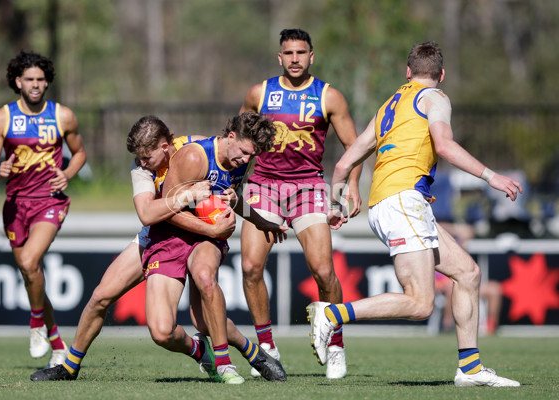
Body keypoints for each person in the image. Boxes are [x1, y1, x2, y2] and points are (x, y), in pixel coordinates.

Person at [307, 41, 522, 387]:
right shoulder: (435, 98)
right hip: (403, 201)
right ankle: (332, 313)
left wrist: (336, 204)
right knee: (420, 303)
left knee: (467, 273)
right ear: (442, 75)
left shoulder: (389, 105)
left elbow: (346, 162)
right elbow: (444, 145)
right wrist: (491, 176)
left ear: (408, 72)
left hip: (391, 203)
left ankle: (470, 369)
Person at [31, 114, 286, 384]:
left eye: (146, 157)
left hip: (200, 237)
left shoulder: (211, 153)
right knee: (108, 301)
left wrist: (259, 220)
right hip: (161, 235)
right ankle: (70, 367)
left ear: (165, 147)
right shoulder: (144, 168)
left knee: (203, 293)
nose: (142, 162)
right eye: (139, 157)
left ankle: (234, 359)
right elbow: (149, 214)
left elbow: (228, 194)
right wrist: (190, 199)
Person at [239, 28, 362, 379]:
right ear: (280, 57)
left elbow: (355, 147)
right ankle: (266, 346)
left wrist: (351, 186)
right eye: (288, 53)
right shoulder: (258, 94)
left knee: (324, 272)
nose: (295, 59)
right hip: (263, 186)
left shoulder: (329, 97)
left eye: (301, 53)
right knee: (249, 268)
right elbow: (238, 141)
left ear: (312, 56)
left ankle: (335, 344)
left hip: (307, 188)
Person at [142, 111, 288, 384]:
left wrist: (262, 221)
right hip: (170, 236)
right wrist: (211, 228)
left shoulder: (240, 160)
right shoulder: (195, 157)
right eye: (244, 152)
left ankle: (223, 363)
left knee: (205, 276)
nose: (246, 160)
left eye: (252, 156)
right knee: (173, 329)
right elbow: (168, 210)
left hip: (207, 239)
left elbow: (227, 199)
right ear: (231, 137)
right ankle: (251, 350)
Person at [0, 50, 86, 369]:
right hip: (15, 205)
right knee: (31, 276)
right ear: (18, 81)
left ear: (47, 82)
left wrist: (67, 174)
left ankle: (36, 323)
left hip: (49, 202)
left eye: (41, 79)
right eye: (30, 79)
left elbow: (80, 153)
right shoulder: (3, 118)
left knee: (29, 261)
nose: (36, 84)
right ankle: (57, 344)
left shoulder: (63, 116)